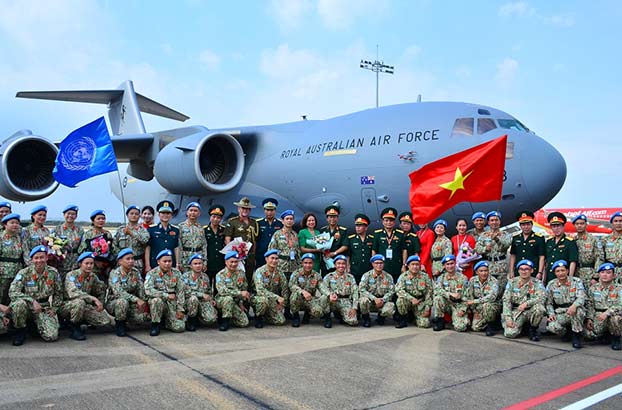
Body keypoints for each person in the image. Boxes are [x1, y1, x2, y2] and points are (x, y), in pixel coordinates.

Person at [9, 245, 62, 345]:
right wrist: (32, 301)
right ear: (32, 259)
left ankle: (34, 326)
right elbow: (13, 291)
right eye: (36, 258)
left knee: (52, 336)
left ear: (46, 258)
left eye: (42, 257)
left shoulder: (53, 273)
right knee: (18, 304)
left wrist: (54, 308)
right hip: (27, 306)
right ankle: (20, 331)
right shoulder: (24, 272)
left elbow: (59, 293)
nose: (39, 260)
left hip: (43, 307)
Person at [60, 252, 110, 341]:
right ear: (80, 264)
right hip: (67, 306)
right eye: (86, 263)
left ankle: (83, 321)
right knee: (79, 302)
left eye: (91, 263)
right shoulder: (71, 275)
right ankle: (74, 327)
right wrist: (93, 299)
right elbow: (73, 292)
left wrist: (100, 304)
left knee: (105, 320)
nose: (89, 266)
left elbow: (100, 290)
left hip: (85, 306)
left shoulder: (93, 276)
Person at [106, 248, 148, 337]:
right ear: (120, 261)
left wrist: (143, 301)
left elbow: (141, 288)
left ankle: (127, 320)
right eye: (128, 259)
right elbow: (118, 292)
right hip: (114, 302)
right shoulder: (115, 273)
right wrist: (136, 299)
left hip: (131, 303)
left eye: (132, 258)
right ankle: (120, 325)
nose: (131, 261)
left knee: (141, 318)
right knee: (122, 302)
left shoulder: (135, 272)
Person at [545, 260, 586, 348]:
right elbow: (548, 303)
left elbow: (581, 297)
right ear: (555, 273)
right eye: (558, 271)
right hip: (561, 311)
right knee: (552, 326)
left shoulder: (576, 281)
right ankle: (566, 333)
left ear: (567, 271)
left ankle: (576, 336)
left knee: (578, 311)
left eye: (562, 270)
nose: (561, 273)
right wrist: (551, 313)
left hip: (574, 309)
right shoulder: (551, 284)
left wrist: (574, 306)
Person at [144, 249, 186, 336]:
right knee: (156, 301)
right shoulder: (152, 273)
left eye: (169, 261)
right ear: (158, 262)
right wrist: (166, 295)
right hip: (158, 303)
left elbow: (180, 292)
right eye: (165, 261)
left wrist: (180, 309)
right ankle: (155, 325)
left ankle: (166, 321)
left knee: (180, 327)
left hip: (172, 304)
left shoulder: (177, 273)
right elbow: (148, 290)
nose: (167, 264)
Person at [502, 259, 546, 341]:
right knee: (510, 333)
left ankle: (533, 329)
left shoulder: (537, 283)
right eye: (521, 269)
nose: (524, 271)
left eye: (527, 269)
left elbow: (542, 297)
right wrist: (508, 318)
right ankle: (522, 327)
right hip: (516, 310)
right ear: (518, 271)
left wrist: (526, 304)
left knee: (539, 309)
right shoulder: (512, 282)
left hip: (530, 310)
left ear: (532, 270)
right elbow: (506, 300)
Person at [585, 263, 622, 350]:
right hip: (598, 315)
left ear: (614, 275)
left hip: (612, 314)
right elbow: (590, 304)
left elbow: (620, 305)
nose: (605, 275)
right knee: (589, 334)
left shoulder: (619, 288)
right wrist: (589, 318)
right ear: (599, 274)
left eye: (608, 273)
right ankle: (604, 335)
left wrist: (607, 313)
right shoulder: (593, 288)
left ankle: (616, 339)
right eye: (602, 272)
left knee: (615, 319)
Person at [224, 197, 259, 284]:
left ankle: (248, 291)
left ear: (250, 210)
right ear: (239, 209)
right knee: (237, 277)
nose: (245, 210)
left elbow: (255, 240)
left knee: (249, 276)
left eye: (247, 209)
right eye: (243, 208)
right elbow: (227, 239)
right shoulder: (232, 221)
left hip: (250, 255)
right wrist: (231, 255)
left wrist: (254, 254)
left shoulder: (254, 222)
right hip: (237, 256)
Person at [475, 211, 511, 293]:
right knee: (489, 289)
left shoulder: (506, 234)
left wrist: (497, 239)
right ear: (488, 222)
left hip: (501, 266)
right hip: (488, 266)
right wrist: (485, 249)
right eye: (492, 220)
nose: (494, 222)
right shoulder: (484, 235)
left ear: (499, 221)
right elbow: (477, 248)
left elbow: (506, 246)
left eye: (496, 220)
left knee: (501, 289)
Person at [252, 249, 290, 328]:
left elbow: (285, 289)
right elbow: (260, 290)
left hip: (272, 300)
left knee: (280, 321)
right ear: (266, 259)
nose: (274, 261)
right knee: (263, 301)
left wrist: (282, 304)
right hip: (258, 298)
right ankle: (258, 317)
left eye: (276, 259)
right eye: (272, 258)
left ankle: (267, 315)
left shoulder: (279, 273)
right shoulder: (259, 272)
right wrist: (277, 297)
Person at [214, 251, 250, 331]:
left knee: (244, 322)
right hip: (222, 300)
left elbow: (244, 289)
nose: (234, 264)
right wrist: (239, 293)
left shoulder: (241, 273)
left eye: (236, 262)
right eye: (231, 262)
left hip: (235, 302)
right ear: (226, 262)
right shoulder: (220, 274)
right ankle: (225, 321)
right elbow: (222, 291)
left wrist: (241, 303)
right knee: (228, 299)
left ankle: (231, 315)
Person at [432, 255, 469, 332]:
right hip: (447, 303)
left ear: (455, 264)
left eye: (452, 263)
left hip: (458, 305)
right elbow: (437, 290)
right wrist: (449, 294)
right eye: (447, 264)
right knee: (438, 298)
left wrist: (463, 309)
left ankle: (461, 320)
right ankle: (440, 321)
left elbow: (467, 295)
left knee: (461, 328)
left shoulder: (463, 278)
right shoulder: (441, 278)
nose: (450, 266)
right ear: (444, 266)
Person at [395, 255, 433, 329]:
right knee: (400, 300)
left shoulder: (425, 277)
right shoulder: (403, 276)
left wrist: (427, 308)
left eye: (417, 264)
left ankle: (415, 317)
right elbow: (399, 290)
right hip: (408, 301)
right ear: (408, 266)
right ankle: (403, 319)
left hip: (420, 302)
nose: (415, 267)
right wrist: (411, 299)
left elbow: (429, 292)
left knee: (424, 324)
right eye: (412, 264)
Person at [320, 255, 358, 327]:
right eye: (339, 263)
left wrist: (354, 307)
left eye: (343, 264)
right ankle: (327, 317)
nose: (341, 265)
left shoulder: (350, 277)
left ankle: (341, 315)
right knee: (323, 298)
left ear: (346, 265)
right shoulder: (329, 276)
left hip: (345, 301)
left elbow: (355, 292)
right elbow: (323, 288)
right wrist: (330, 295)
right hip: (333, 300)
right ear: (335, 265)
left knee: (353, 321)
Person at [289, 253, 326, 327]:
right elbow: (291, 285)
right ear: (302, 263)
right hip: (298, 298)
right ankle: (296, 316)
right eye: (305, 263)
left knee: (318, 312)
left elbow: (322, 287)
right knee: (294, 295)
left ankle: (307, 314)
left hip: (310, 299)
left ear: (313, 264)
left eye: (310, 263)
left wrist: (329, 294)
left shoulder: (317, 275)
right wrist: (302, 291)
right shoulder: (296, 273)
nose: (308, 265)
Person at [358, 254, 396, 327]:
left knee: (391, 306)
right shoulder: (367, 275)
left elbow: (391, 291)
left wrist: (383, 300)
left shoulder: (388, 277)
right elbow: (362, 289)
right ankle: (366, 319)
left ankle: (381, 318)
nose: (379, 265)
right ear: (372, 264)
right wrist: (374, 298)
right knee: (363, 301)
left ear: (383, 264)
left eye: (381, 263)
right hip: (370, 301)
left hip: (382, 301)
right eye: (376, 263)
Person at [182, 254, 217, 331]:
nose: (198, 266)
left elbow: (208, 291)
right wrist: (201, 294)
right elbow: (185, 292)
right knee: (193, 299)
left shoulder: (205, 277)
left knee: (211, 319)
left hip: (202, 301)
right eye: (195, 264)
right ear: (191, 266)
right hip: (189, 302)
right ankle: (191, 320)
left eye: (200, 263)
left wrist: (211, 299)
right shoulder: (185, 276)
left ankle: (199, 317)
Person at [465, 261, 500, 336]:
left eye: (486, 270)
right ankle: (490, 322)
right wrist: (474, 311)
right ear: (476, 272)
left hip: (492, 306)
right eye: (481, 271)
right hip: (478, 307)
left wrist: (475, 301)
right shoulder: (472, 280)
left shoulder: (494, 281)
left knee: (487, 305)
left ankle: (491, 325)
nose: (484, 273)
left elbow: (492, 297)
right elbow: (469, 296)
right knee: (475, 327)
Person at [78, 210, 115, 281]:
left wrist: (108, 262)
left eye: (103, 219)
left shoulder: (108, 234)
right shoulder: (88, 234)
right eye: (98, 219)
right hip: (92, 267)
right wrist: (95, 261)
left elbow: (112, 249)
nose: (101, 220)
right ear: (93, 221)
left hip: (106, 266)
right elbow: (82, 250)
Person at [372, 207, 406, 281]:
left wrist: (404, 265)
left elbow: (404, 250)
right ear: (382, 222)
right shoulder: (377, 234)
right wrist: (374, 265)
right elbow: (374, 250)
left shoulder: (400, 234)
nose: (389, 223)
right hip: (382, 266)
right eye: (386, 220)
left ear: (394, 222)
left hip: (397, 265)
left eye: (391, 220)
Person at [113, 205, 150, 275]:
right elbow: (114, 245)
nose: (134, 215)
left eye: (136, 214)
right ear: (127, 215)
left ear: (139, 216)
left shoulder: (143, 230)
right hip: (122, 262)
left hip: (137, 262)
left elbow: (145, 240)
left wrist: (131, 233)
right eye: (131, 213)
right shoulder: (120, 230)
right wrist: (120, 257)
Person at [509, 211, 545, 280]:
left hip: (533, 271)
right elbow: (513, 255)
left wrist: (540, 272)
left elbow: (542, 257)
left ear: (532, 225)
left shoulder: (539, 238)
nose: (526, 227)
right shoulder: (516, 238)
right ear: (520, 226)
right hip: (519, 271)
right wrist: (511, 271)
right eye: (523, 225)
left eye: (528, 224)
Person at [146, 201, 181, 271]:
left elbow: (176, 247)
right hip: (155, 263)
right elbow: (148, 248)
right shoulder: (151, 229)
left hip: (170, 263)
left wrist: (177, 263)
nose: (165, 215)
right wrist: (147, 265)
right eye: (163, 213)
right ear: (159, 214)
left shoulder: (175, 230)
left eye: (168, 213)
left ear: (171, 215)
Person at [544, 212, 578, 284]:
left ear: (563, 226)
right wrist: (544, 278)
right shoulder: (549, 242)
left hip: (563, 277)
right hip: (550, 276)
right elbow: (546, 262)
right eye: (554, 226)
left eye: (558, 226)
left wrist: (570, 278)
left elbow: (573, 261)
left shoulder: (569, 242)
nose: (556, 229)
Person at [0, 213, 25, 305]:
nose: (15, 225)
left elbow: (24, 254)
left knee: (14, 297)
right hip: (3, 272)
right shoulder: (1, 237)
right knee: (2, 296)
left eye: (17, 223)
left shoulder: (20, 238)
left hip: (17, 272)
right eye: (12, 223)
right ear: (5, 224)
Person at [572, 214, 603, 287]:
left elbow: (599, 258)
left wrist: (595, 277)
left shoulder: (593, 240)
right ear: (574, 225)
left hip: (590, 274)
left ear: (586, 225)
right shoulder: (573, 240)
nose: (579, 226)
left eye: (582, 223)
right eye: (577, 224)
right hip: (576, 274)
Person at [52, 205, 84, 276]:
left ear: (76, 216)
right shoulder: (57, 230)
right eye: (68, 213)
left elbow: (82, 246)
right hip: (61, 263)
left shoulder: (80, 230)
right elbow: (51, 247)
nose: (70, 216)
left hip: (75, 263)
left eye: (73, 214)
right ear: (64, 215)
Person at [268, 210, 300, 279]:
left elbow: (298, 251)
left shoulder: (295, 235)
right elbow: (271, 250)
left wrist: (299, 266)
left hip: (293, 267)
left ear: (293, 221)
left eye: (291, 219)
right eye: (287, 219)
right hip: (281, 266)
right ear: (282, 221)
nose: (289, 221)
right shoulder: (277, 234)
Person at [177, 202, 208, 271]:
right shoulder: (181, 227)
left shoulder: (201, 228)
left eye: (195, 211)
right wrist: (179, 262)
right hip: (185, 259)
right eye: (191, 210)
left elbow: (204, 245)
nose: (193, 213)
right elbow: (179, 245)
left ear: (199, 214)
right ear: (187, 212)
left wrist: (204, 261)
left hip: (198, 259)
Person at [319, 205, 349, 275]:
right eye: (330, 217)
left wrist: (334, 253)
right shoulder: (322, 230)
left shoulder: (343, 231)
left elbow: (345, 246)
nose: (332, 219)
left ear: (337, 218)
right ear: (327, 218)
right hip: (326, 261)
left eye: (334, 217)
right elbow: (319, 244)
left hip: (338, 261)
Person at [345, 214, 374, 283]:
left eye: (360, 226)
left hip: (368, 268)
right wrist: (348, 267)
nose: (357, 228)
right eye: (356, 226)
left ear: (366, 227)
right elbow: (348, 255)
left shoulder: (371, 239)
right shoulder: (351, 239)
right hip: (355, 269)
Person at [255, 198, 283, 267]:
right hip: (261, 254)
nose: (269, 212)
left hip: (275, 255)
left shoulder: (280, 223)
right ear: (264, 210)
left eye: (271, 210)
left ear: (275, 210)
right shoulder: (258, 223)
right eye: (267, 210)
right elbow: (255, 239)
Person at [204, 205, 226, 287]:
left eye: (218, 217)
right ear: (210, 217)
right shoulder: (204, 230)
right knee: (207, 285)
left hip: (220, 262)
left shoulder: (224, 230)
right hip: (209, 262)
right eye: (213, 217)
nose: (216, 219)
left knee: (219, 286)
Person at [601, 211, 622, 278]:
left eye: (621, 221)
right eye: (615, 221)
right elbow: (600, 258)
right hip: (610, 273)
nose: (618, 223)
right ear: (612, 223)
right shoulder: (605, 239)